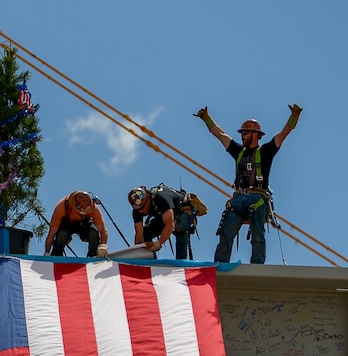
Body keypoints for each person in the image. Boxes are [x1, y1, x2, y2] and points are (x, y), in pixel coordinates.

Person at [195, 104, 302, 264]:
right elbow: (221, 135)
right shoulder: (239, 152)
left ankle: (257, 266)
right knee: (226, 232)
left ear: (255, 135)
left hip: (257, 198)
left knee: (258, 235)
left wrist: (294, 116)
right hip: (238, 199)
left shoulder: (266, 151)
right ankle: (219, 265)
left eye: (245, 133)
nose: (242, 136)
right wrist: (206, 119)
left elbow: (283, 134)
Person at [127, 184, 197, 260]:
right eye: (138, 209)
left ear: (148, 199)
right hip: (163, 216)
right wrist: (138, 251)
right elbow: (139, 234)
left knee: (179, 228)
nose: (141, 211)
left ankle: (180, 264)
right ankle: (149, 262)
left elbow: (170, 225)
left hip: (182, 212)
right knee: (146, 233)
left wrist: (158, 243)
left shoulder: (161, 198)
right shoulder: (137, 210)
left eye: (143, 207)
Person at [45, 190, 109, 257]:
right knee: (62, 234)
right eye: (79, 207)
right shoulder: (62, 207)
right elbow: (51, 234)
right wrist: (47, 252)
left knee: (93, 232)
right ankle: (56, 255)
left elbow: (102, 230)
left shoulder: (93, 209)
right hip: (67, 225)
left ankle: (93, 255)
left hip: (84, 225)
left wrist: (103, 245)